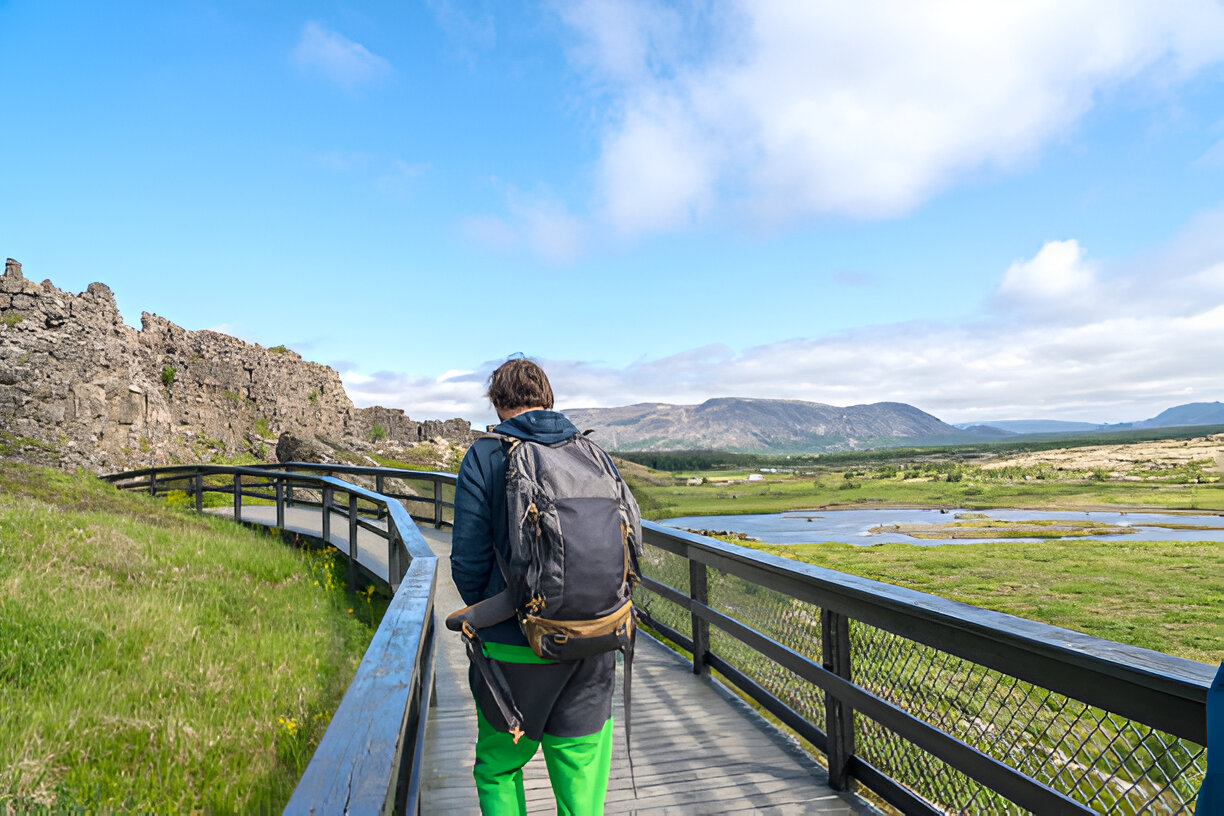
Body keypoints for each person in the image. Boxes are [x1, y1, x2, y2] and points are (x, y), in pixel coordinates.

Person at [451, 358, 617, 815]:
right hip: (595, 639)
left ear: (498, 401)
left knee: (499, 768)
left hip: (515, 646)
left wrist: (501, 613)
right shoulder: (592, 453)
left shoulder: (486, 455)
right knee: (580, 780)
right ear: (548, 398)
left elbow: (467, 562)